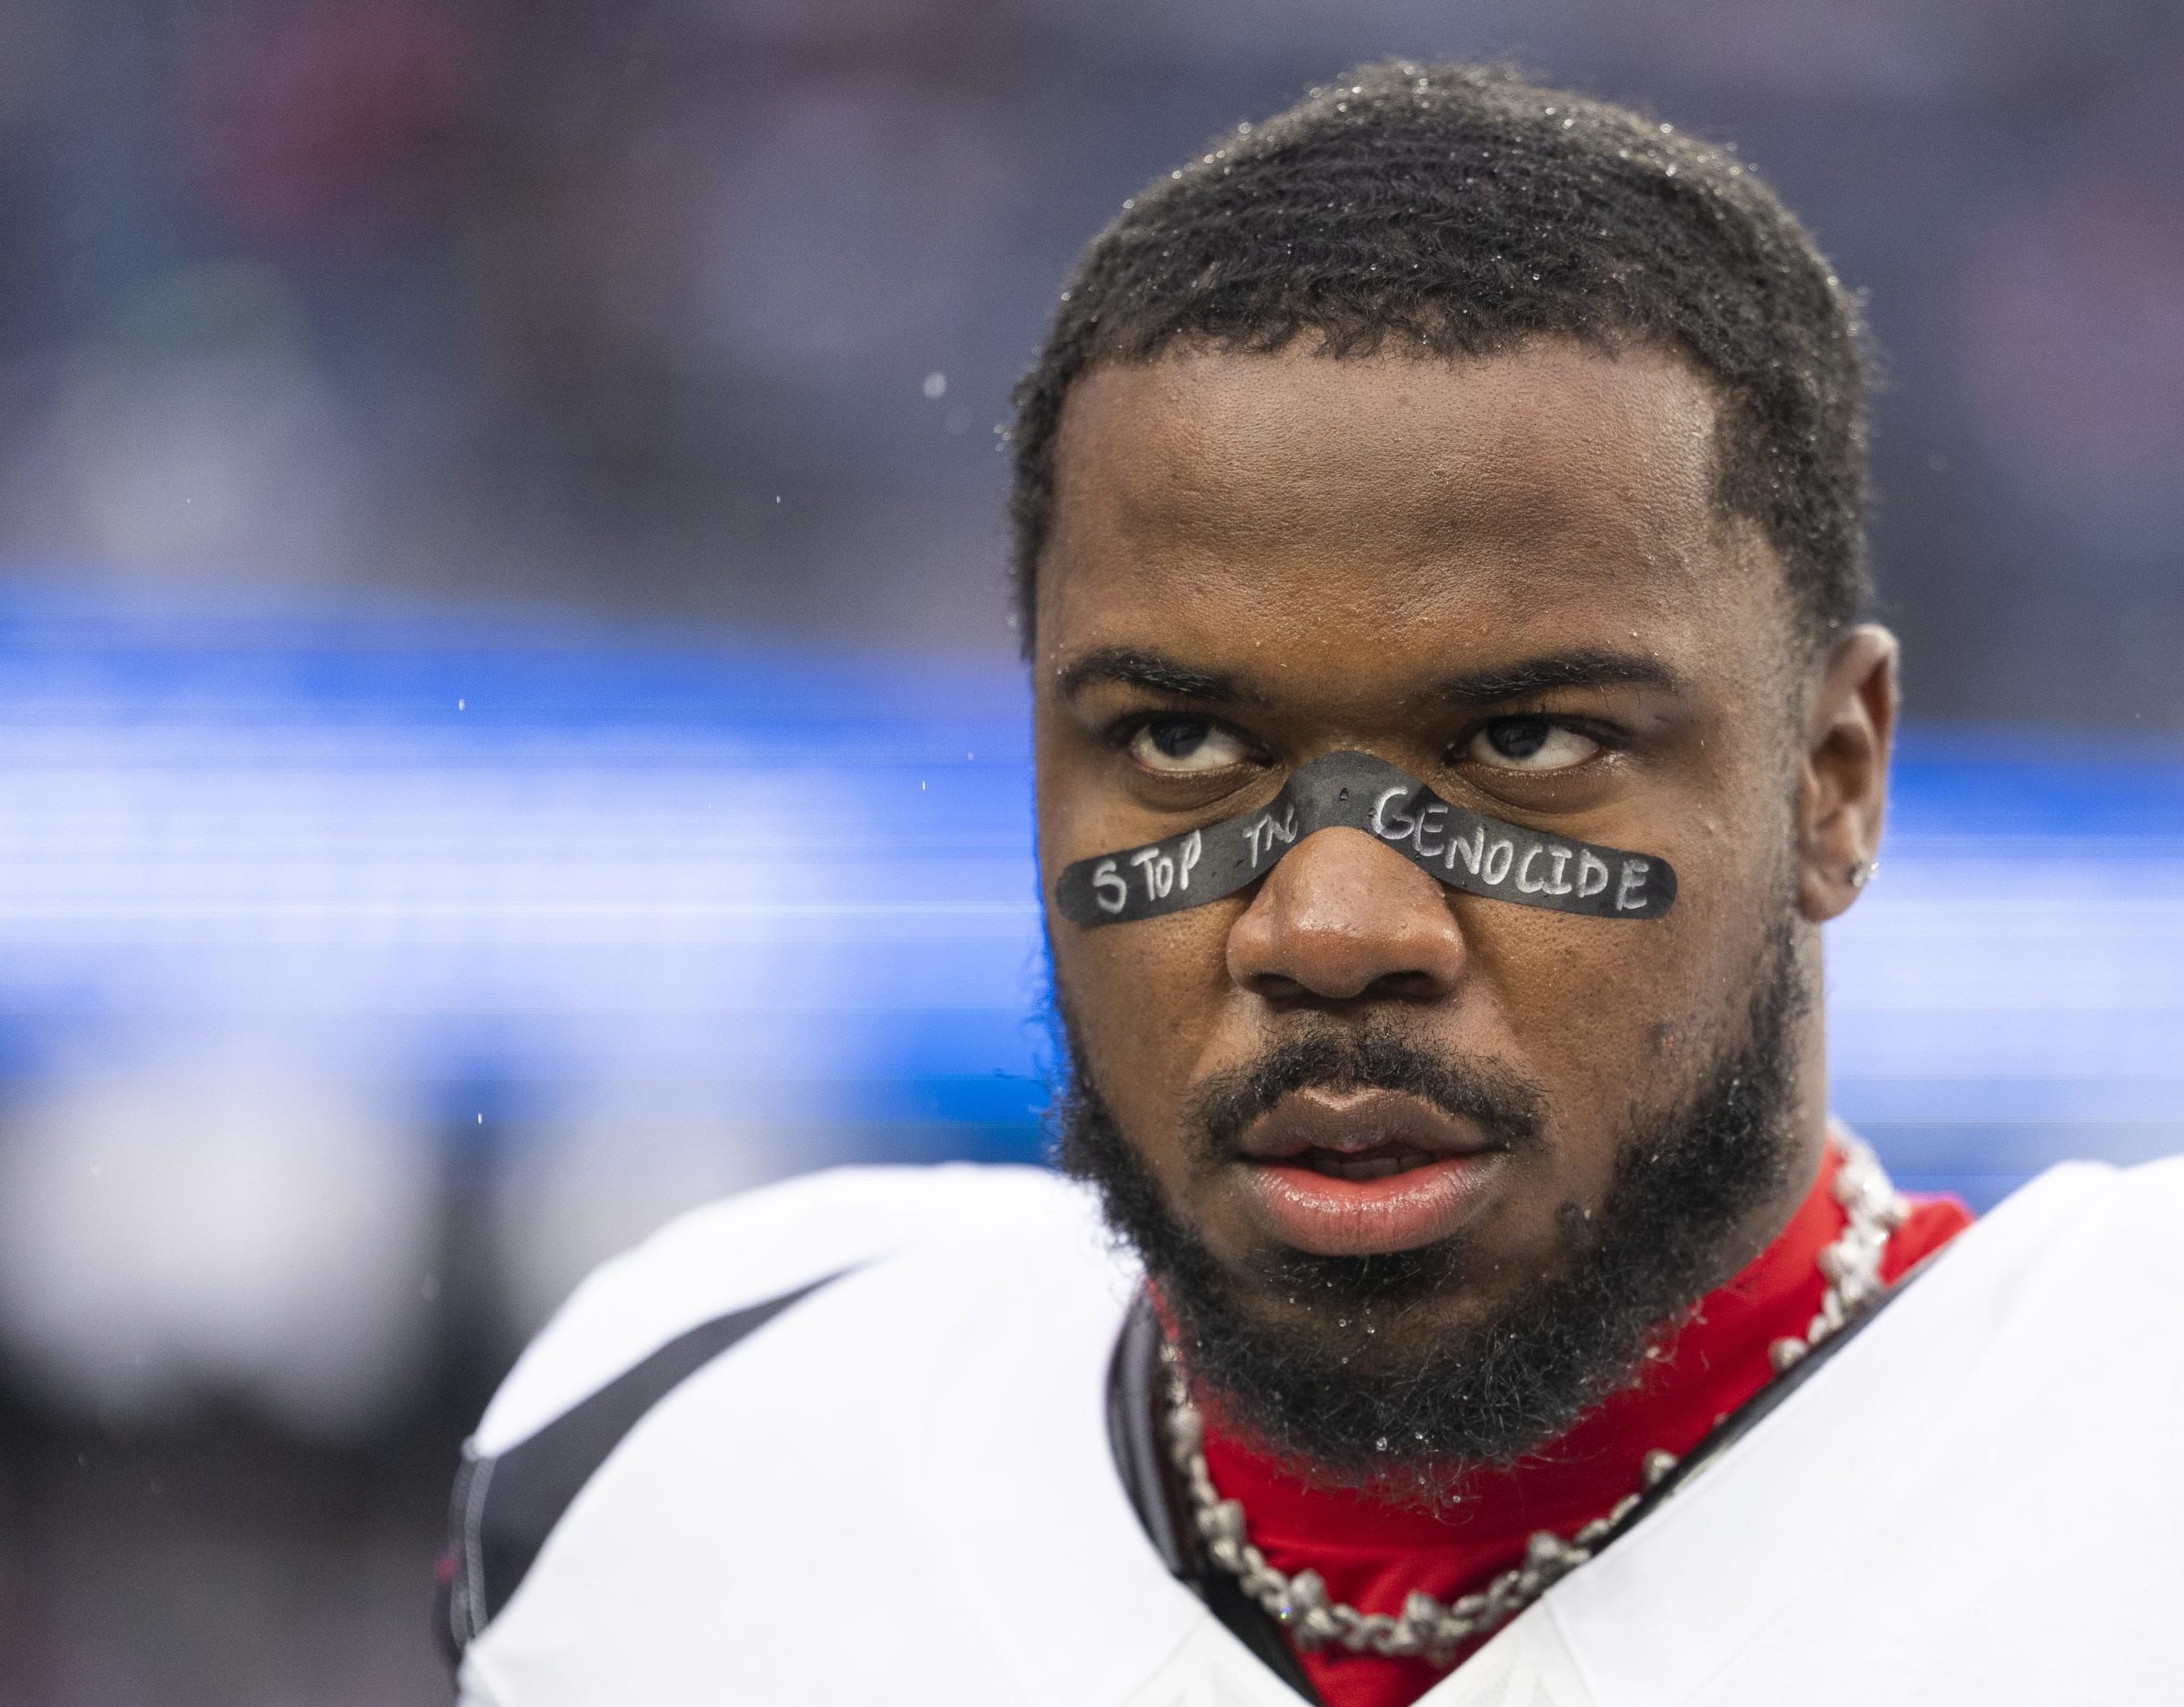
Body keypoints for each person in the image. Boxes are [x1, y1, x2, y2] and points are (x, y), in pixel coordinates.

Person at [438, 62, 2184, 1706]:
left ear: (1834, 780)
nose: (1333, 927)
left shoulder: (2129, 1461)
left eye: (1527, 738)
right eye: (1185, 745)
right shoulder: (689, 1446)